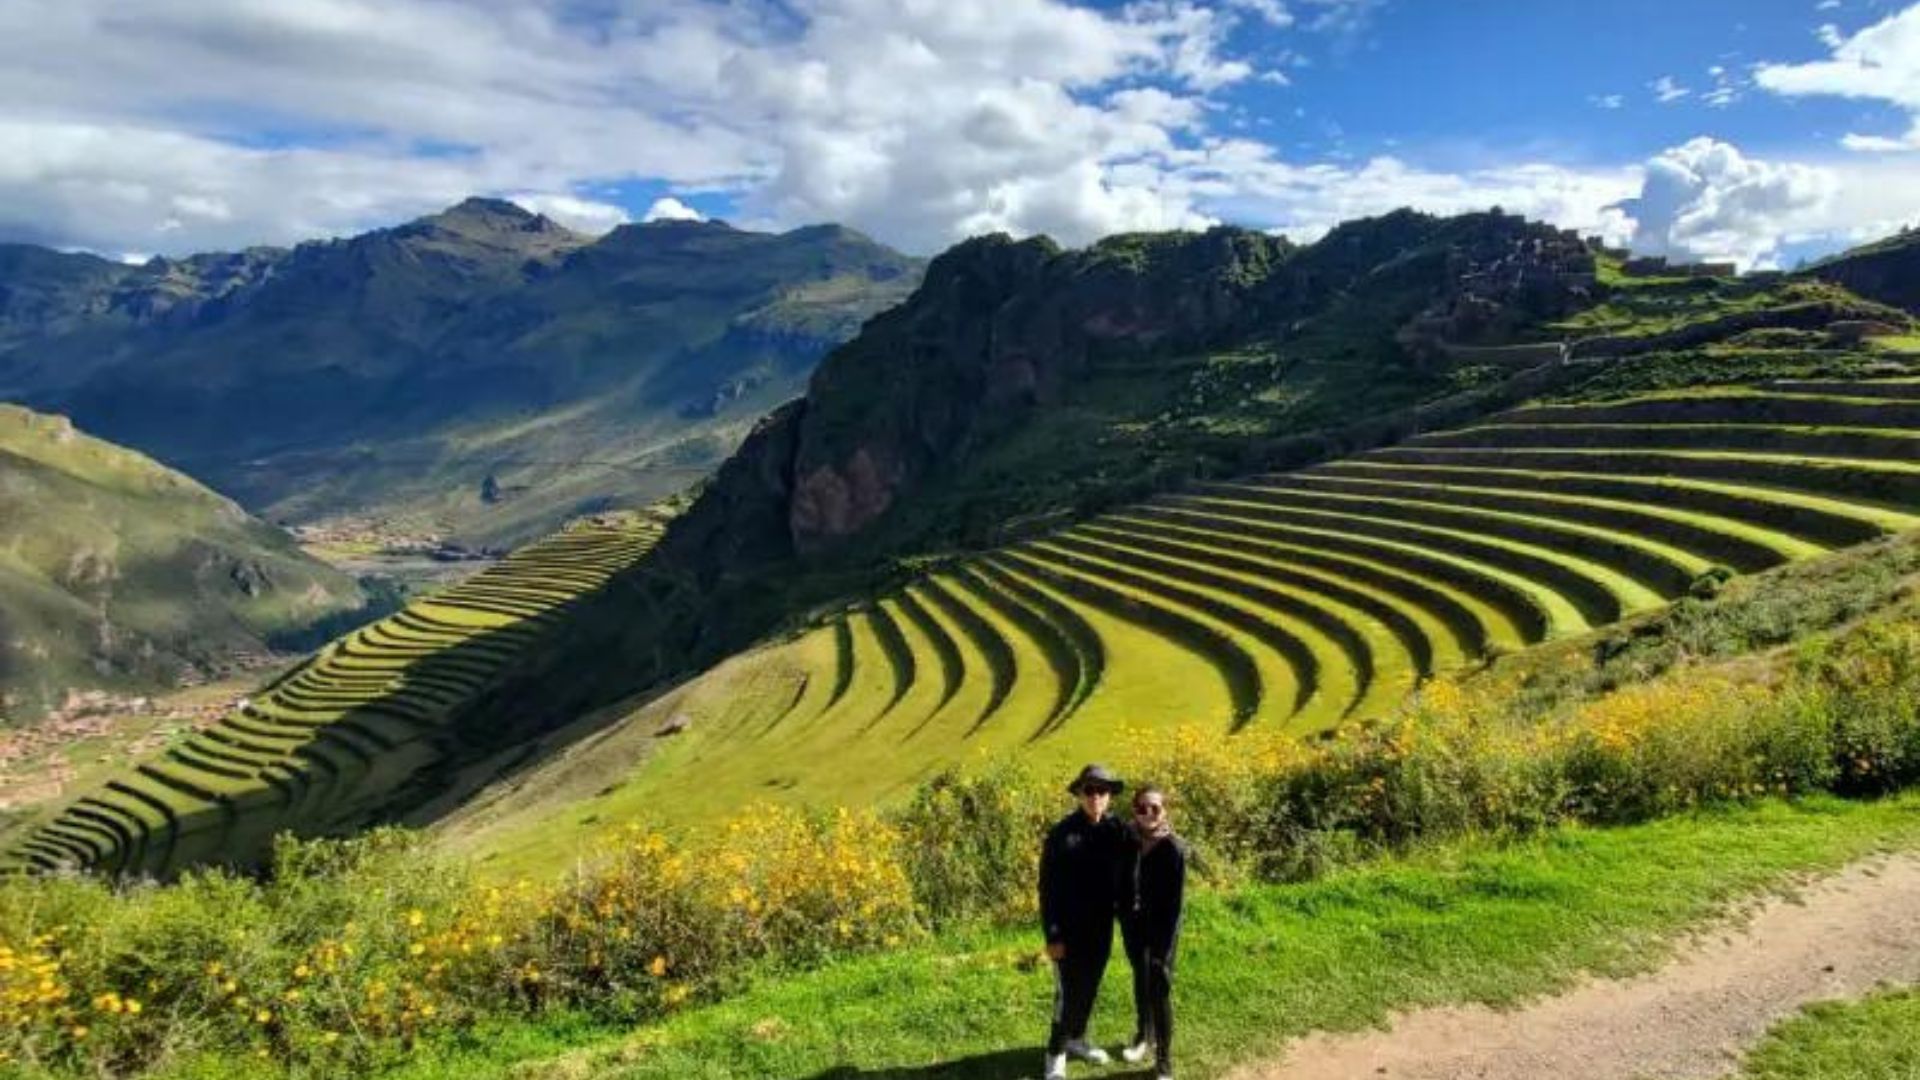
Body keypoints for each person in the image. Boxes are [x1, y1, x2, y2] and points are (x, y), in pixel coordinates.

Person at [1039, 764, 1130, 1080]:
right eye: (1089, 790)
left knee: (1089, 989)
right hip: (1068, 932)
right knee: (1067, 994)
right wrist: (1052, 935)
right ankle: (1055, 1055)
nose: (1095, 797)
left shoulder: (1116, 829)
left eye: (1101, 791)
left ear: (1110, 797)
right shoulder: (1061, 834)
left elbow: (1144, 846)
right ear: (1079, 794)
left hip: (1101, 929)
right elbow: (1047, 889)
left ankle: (1077, 1039)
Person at [1119, 784, 1187, 1080]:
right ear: (1133, 810)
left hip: (1163, 929)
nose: (1148, 813)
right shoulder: (1126, 839)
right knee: (1140, 980)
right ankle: (1143, 1036)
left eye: (1155, 808)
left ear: (1164, 811)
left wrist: (1163, 949)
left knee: (1159, 989)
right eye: (1141, 807)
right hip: (1134, 926)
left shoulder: (1173, 848)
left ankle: (1163, 1060)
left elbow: (1174, 906)